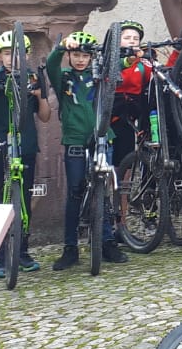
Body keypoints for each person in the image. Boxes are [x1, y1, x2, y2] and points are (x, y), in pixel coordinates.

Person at [47, 31, 126, 270]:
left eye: (85, 56)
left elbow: (118, 65)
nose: (81, 59)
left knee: (102, 191)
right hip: (75, 139)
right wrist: (61, 47)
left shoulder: (99, 75)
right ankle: (70, 248)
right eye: (76, 55)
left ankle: (107, 242)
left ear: (91, 58)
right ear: (70, 56)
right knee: (75, 192)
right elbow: (51, 65)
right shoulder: (64, 76)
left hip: (102, 137)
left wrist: (130, 59)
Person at [0, 30, 52, 278]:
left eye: (17, 53)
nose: (12, 58)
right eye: (7, 54)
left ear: (26, 54)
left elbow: (45, 116)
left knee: (25, 198)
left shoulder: (32, 78)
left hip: (26, 144)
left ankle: (22, 251)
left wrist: (40, 95)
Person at [109, 20, 154, 167]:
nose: (131, 42)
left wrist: (178, 52)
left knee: (125, 157)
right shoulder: (107, 59)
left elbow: (161, 72)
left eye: (136, 39)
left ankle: (122, 187)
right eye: (127, 38)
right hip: (109, 113)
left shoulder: (142, 63)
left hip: (130, 114)